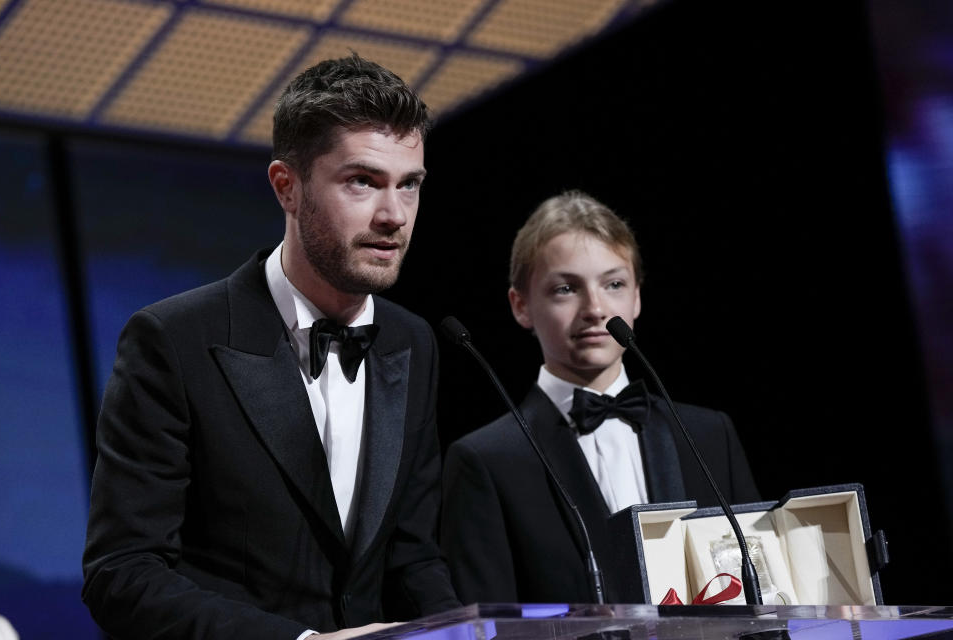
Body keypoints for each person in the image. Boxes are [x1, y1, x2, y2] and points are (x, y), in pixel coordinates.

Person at [82, 55, 459, 639]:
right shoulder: (174, 341)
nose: (394, 215)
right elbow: (123, 572)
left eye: (409, 185)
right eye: (363, 181)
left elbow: (413, 558)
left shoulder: (413, 341)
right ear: (287, 187)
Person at [440, 190, 760, 604]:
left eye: (613, 284)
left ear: (637, 297)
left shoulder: (709, 434)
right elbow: (487, 622)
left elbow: (762, 588)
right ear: (521, 306)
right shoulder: (486, 461)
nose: (595, 308)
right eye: (565, 288)